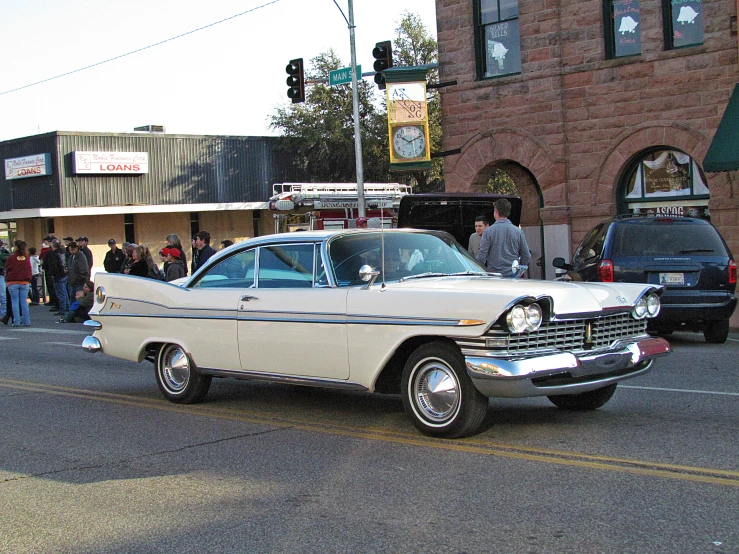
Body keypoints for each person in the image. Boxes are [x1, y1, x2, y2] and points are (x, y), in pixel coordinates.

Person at [477, 198, 531, 277]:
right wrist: (518, 270)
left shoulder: (488, 232)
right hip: (513, 274)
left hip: (494, 275)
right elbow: (526, 255)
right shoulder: (518, 232)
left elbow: (482, 256)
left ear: (496, 212)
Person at [4, 240, 32, 327]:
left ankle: (16, 321)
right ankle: (26, 321)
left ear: (15, 247)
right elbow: (29, 269)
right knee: (24, 302)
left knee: (15, 302)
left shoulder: (11, 257)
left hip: (13, 282)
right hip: (24, 282)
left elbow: (7, 268)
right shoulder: (26, 257)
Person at [43, 239, 69, 316]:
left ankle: (62, 309)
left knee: (60, 293)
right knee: (64, 292)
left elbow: (53, 265)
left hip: (57, 275)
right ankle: (67, 307)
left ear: (53, 245)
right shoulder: (64, 252)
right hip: (64, 274)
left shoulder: (53, 254)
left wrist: (51, 273)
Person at [0, 240, 10, 319]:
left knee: (3, 296)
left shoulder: (4, 252)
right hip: (2, 274)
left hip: (1, 274)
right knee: (3, 296)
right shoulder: (5, 253)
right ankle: (4, 313)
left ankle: (4, 314)